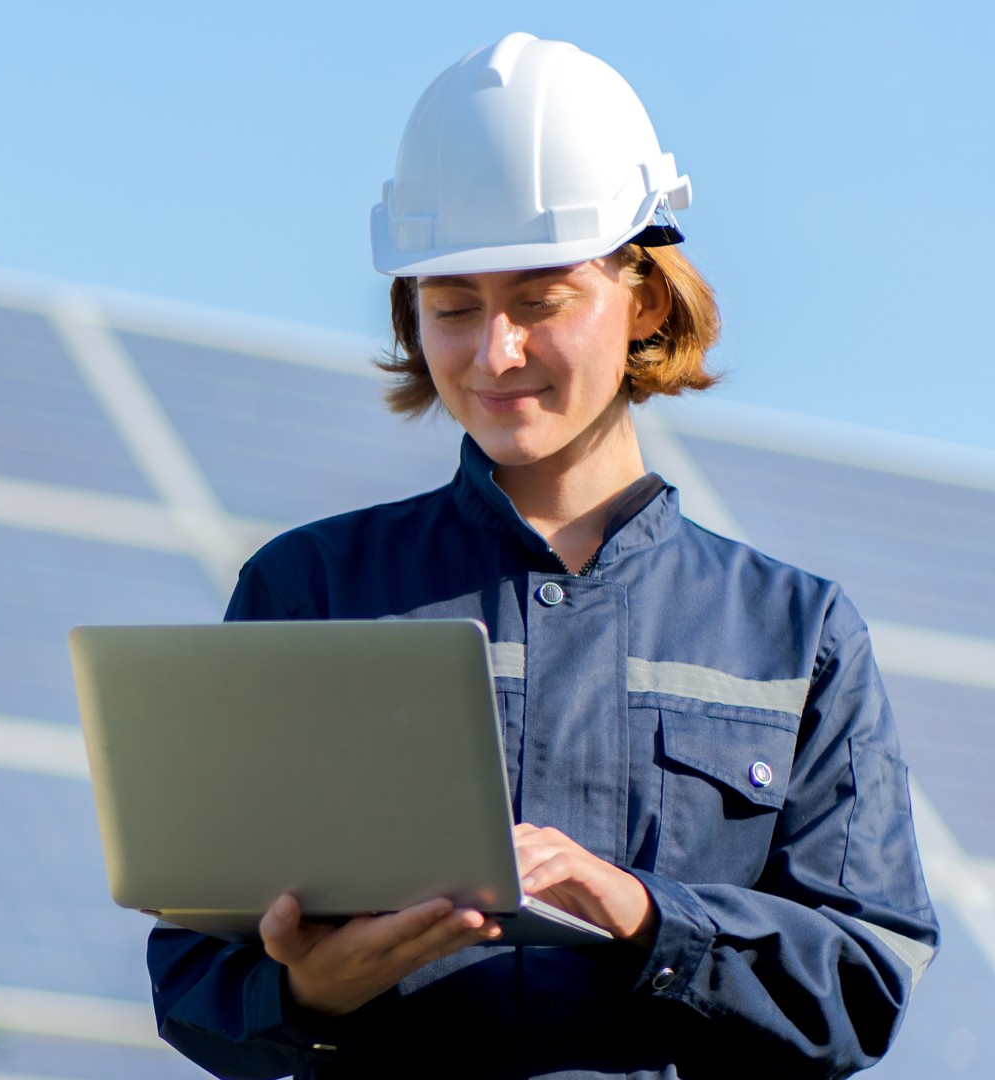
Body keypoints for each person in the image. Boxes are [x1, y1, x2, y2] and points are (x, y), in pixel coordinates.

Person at [147, 32, 937, 1079]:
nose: (495, 353)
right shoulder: (309, 592)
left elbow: (859, 982)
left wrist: (650, 918)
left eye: (540, 300)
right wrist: (306, 993)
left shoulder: (795, 636)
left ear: (643, 299)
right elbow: (197, 973)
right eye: (454, 308)